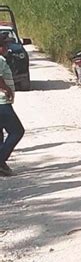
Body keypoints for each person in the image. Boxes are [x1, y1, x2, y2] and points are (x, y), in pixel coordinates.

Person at [0, 35, 24, 176]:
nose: (7, 49)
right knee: (17, 131)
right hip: (1, 103)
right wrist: (6, 89)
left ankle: (2, 165)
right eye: (4, 46)